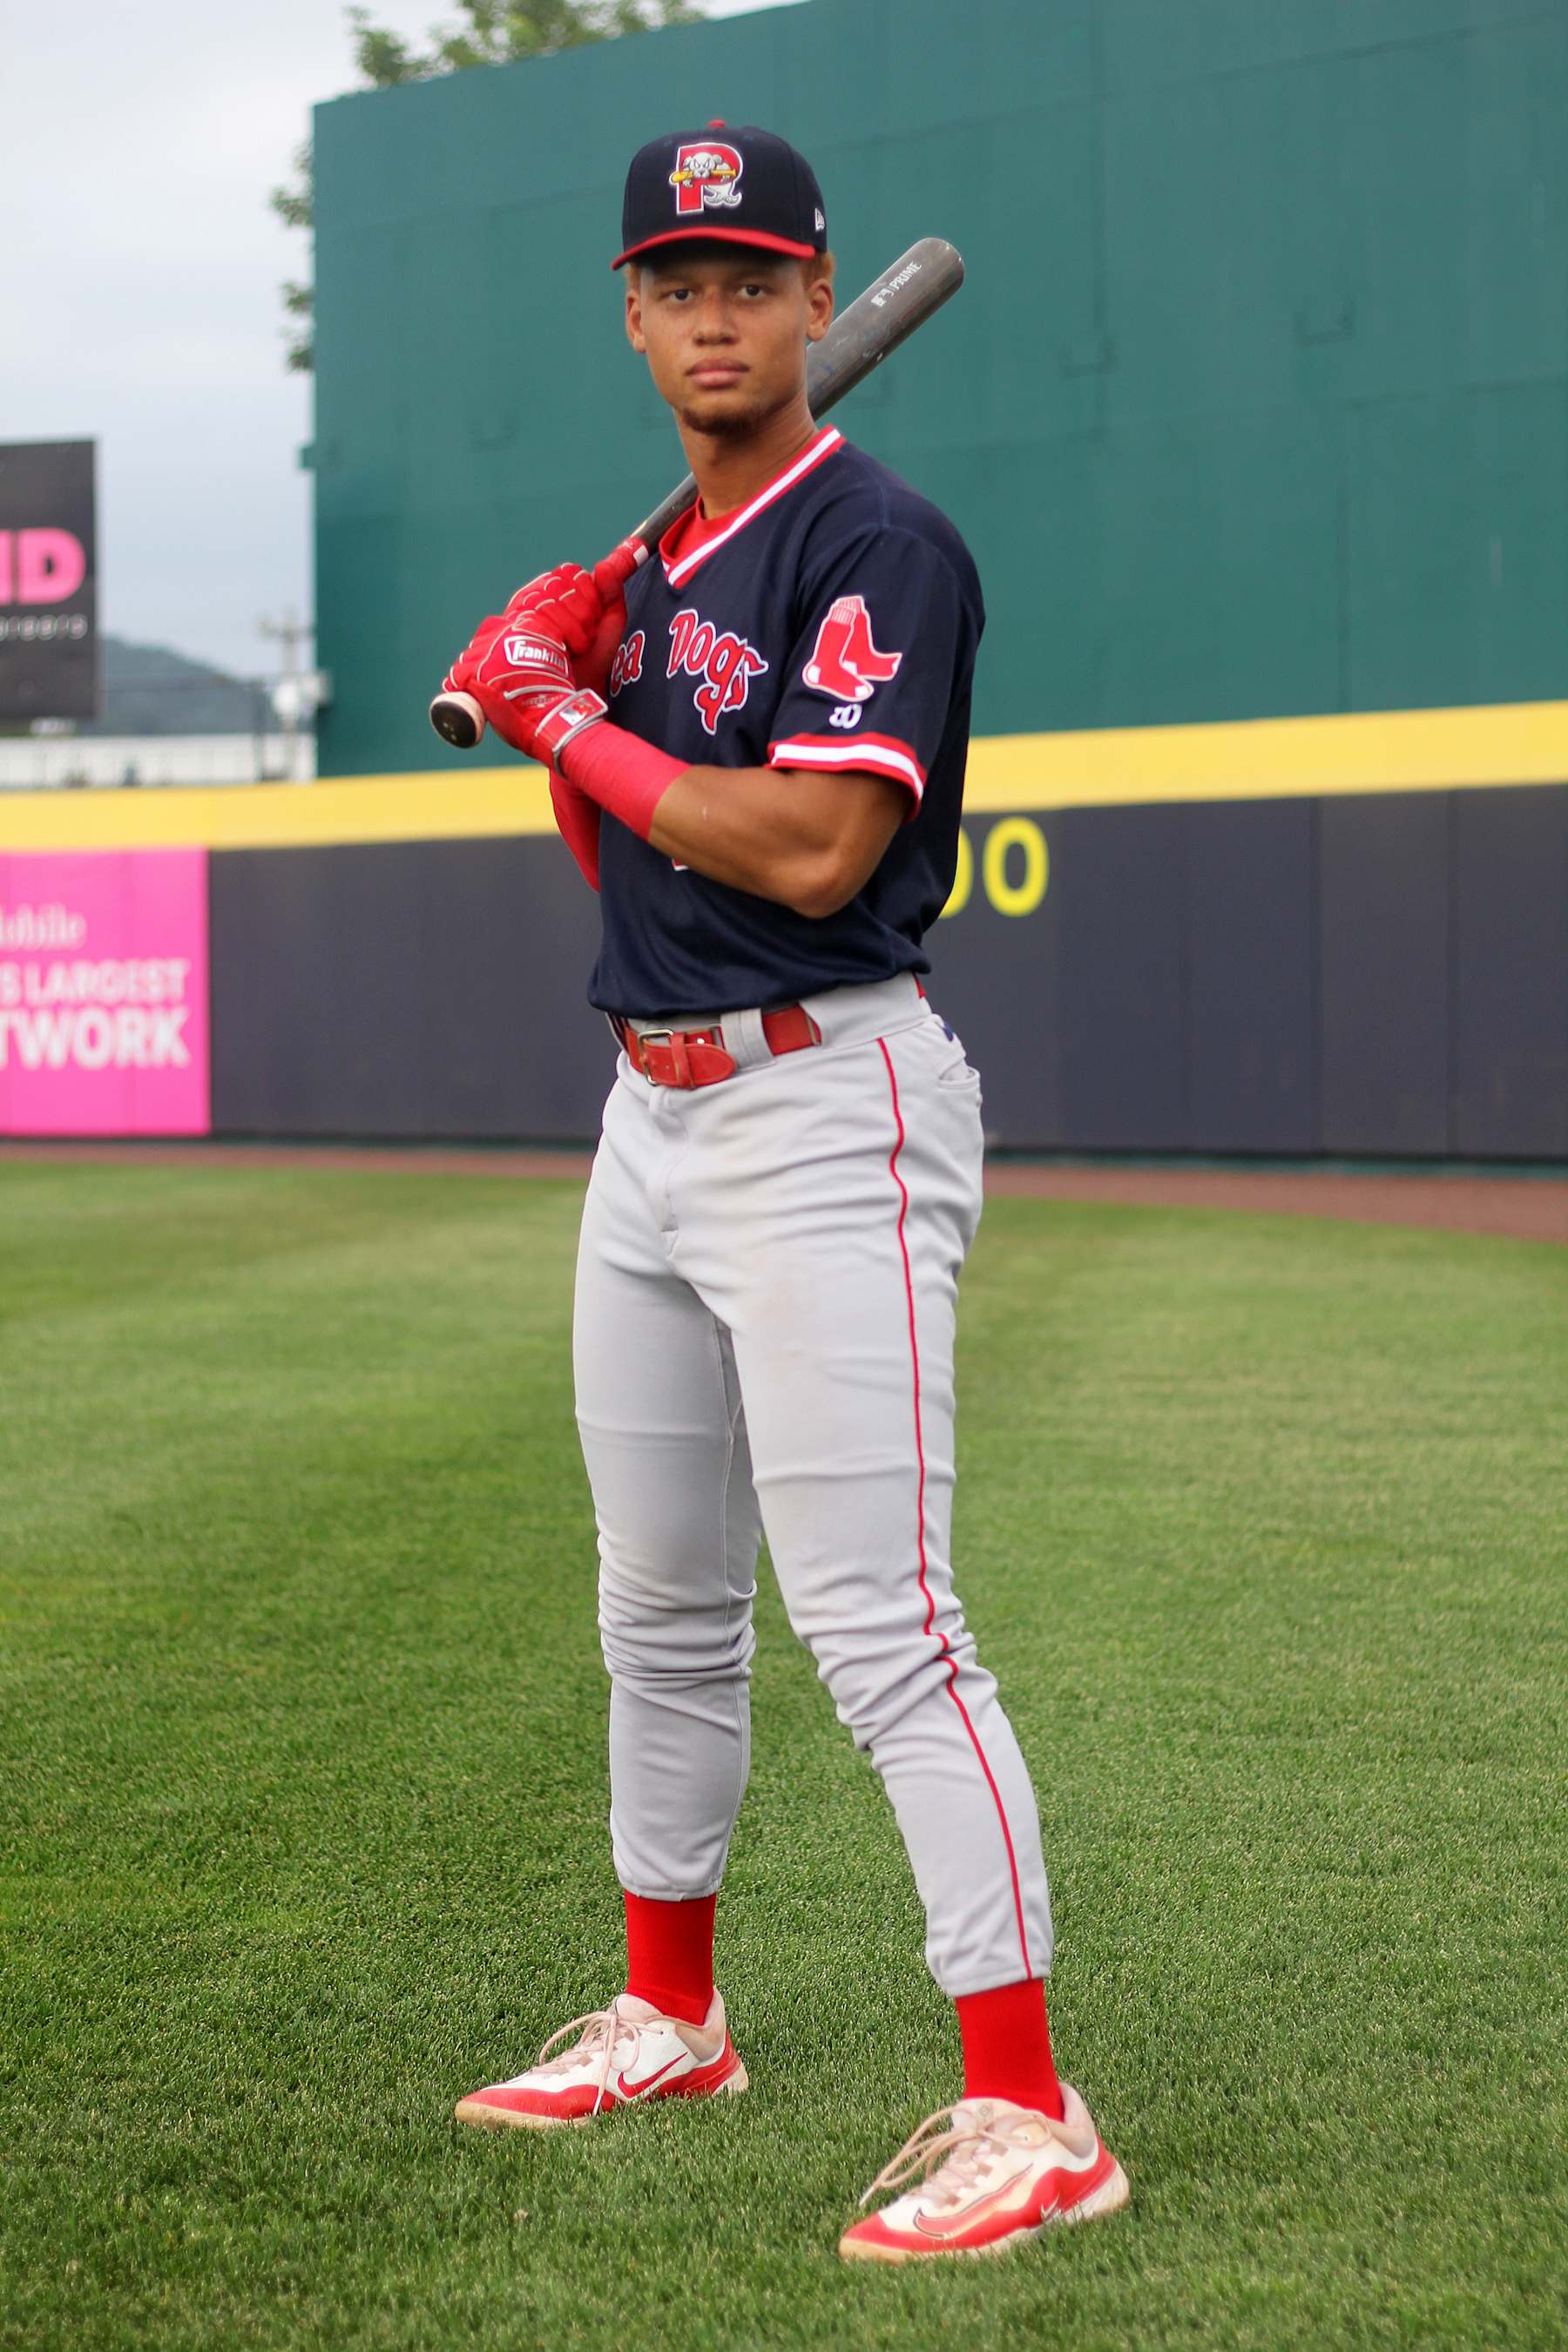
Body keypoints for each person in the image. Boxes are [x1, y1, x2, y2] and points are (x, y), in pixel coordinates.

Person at [442, 123, 1126, 2262]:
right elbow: (629, 855)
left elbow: (818, 855)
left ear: (821, 300)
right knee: (655, 1604)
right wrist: (573, 657)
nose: (717, 315)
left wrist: (567, 721)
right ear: (634, 315)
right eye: (678, 282)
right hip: (647, 1113)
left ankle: (1031, 2110)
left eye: (754, 277)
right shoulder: (651, 578)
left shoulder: (880, 543)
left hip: (831, 1104)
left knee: (882, 1628)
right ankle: (672, 2013)